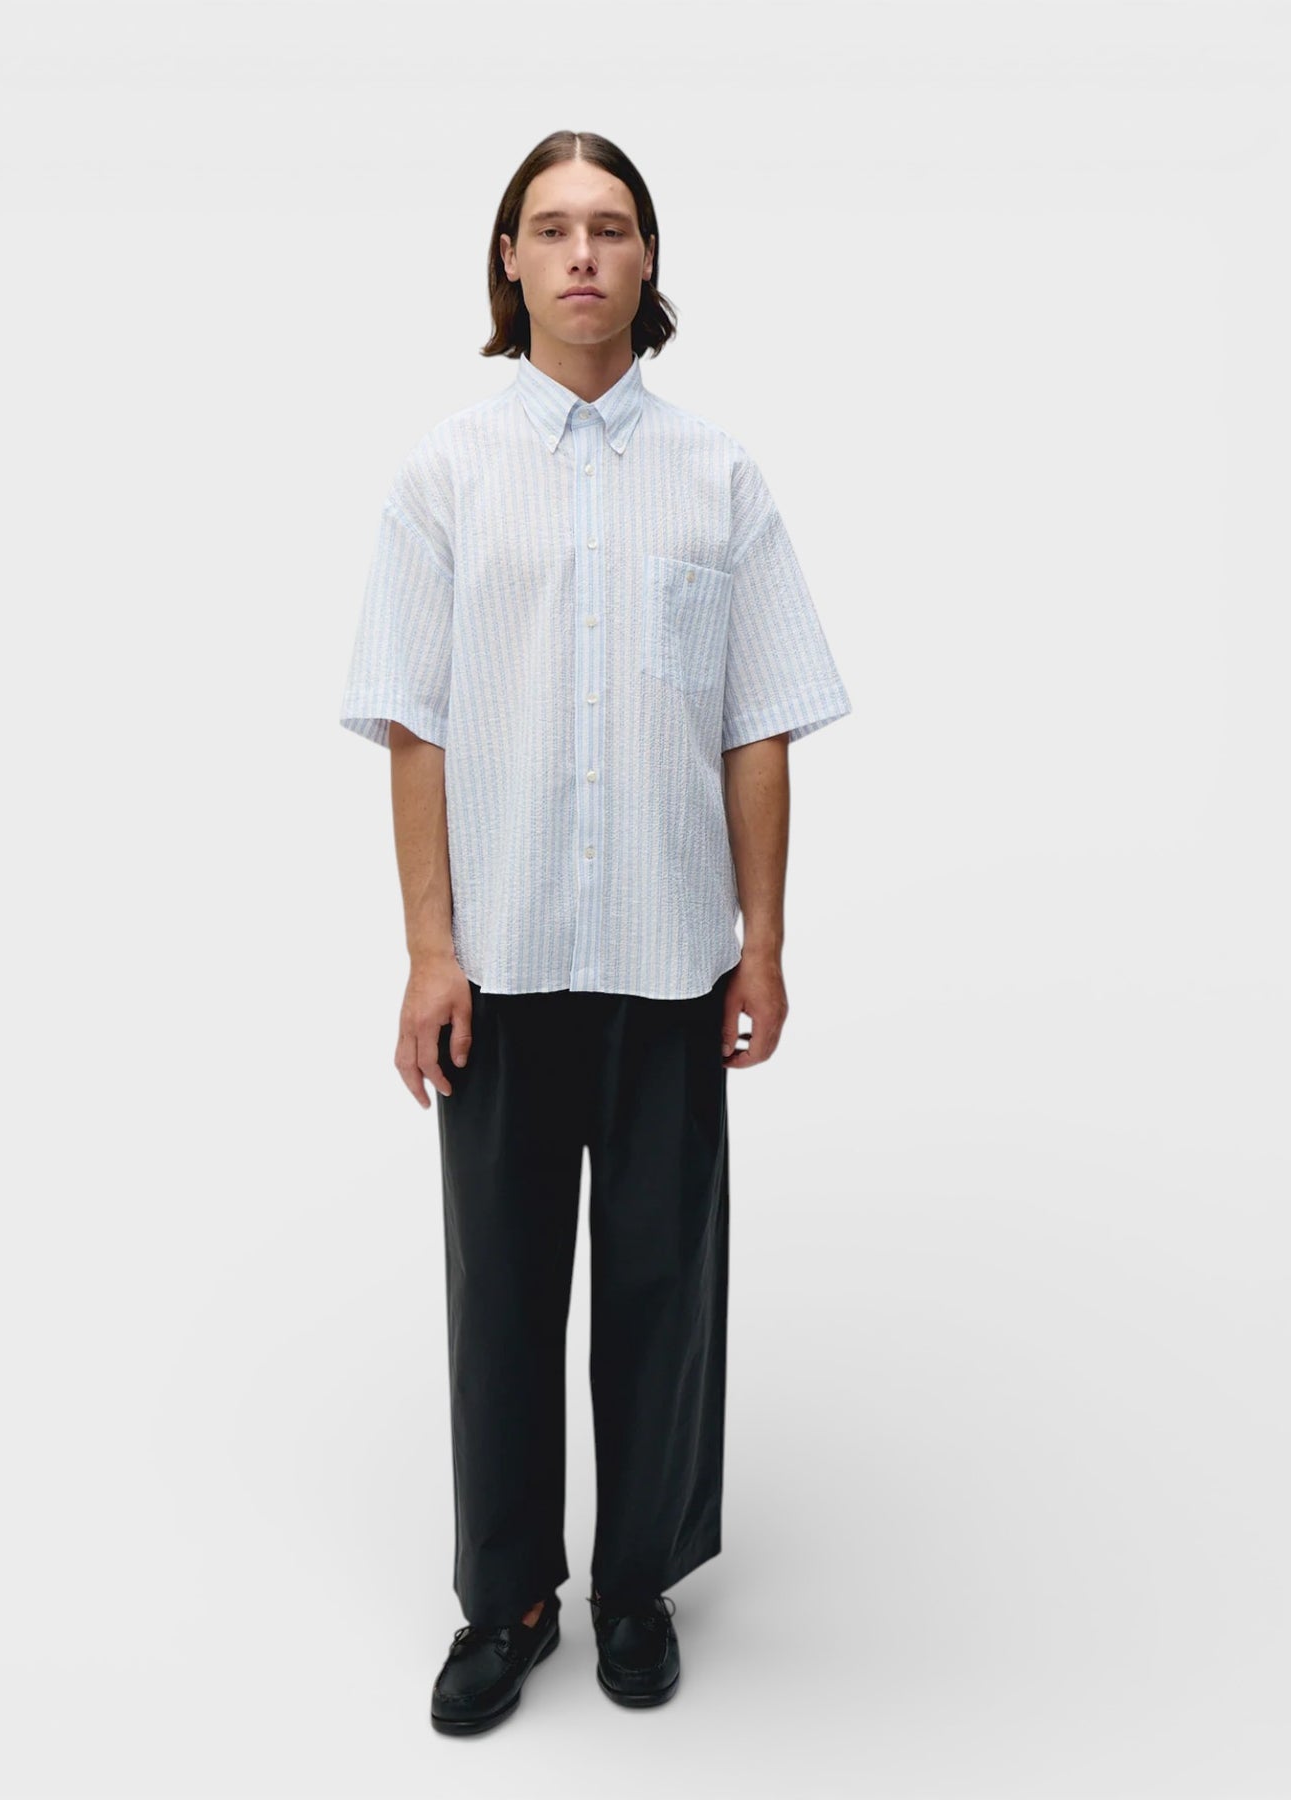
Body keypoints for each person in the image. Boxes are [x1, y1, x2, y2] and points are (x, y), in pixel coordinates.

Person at [339, 129, 852, 1735]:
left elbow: (757, 724)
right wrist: (431, 952)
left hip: (664, 955)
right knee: (500, 1294)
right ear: (509, 259)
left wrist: (762, 941)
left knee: (660, 1286)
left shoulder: (717, 477)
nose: (581, 254)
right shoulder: (443, 477)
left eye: (610, 228)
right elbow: (414, 725)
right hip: (497, 961)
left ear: (646, 261)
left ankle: (638, 1586)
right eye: (551, 228)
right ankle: (507, 1598)